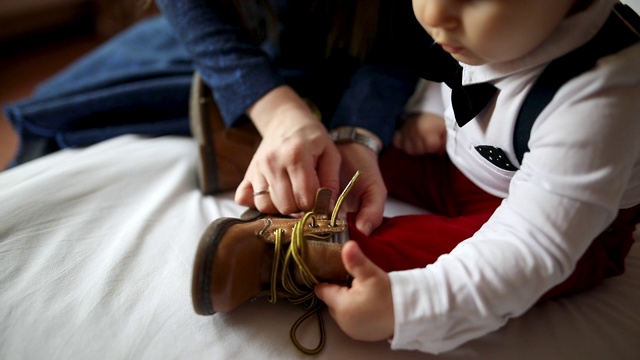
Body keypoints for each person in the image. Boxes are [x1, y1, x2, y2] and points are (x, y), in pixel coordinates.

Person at [192, 0, 640, 355]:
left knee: (461, 255)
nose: (433, 13)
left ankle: (304, 256)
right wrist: (428, 109)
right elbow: (445, 69)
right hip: (466, 163)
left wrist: (405, 309)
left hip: (573, 227)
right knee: (357, 148)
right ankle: (289, 160)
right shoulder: (485, 27)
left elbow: (528, 249)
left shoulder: (604, 96)